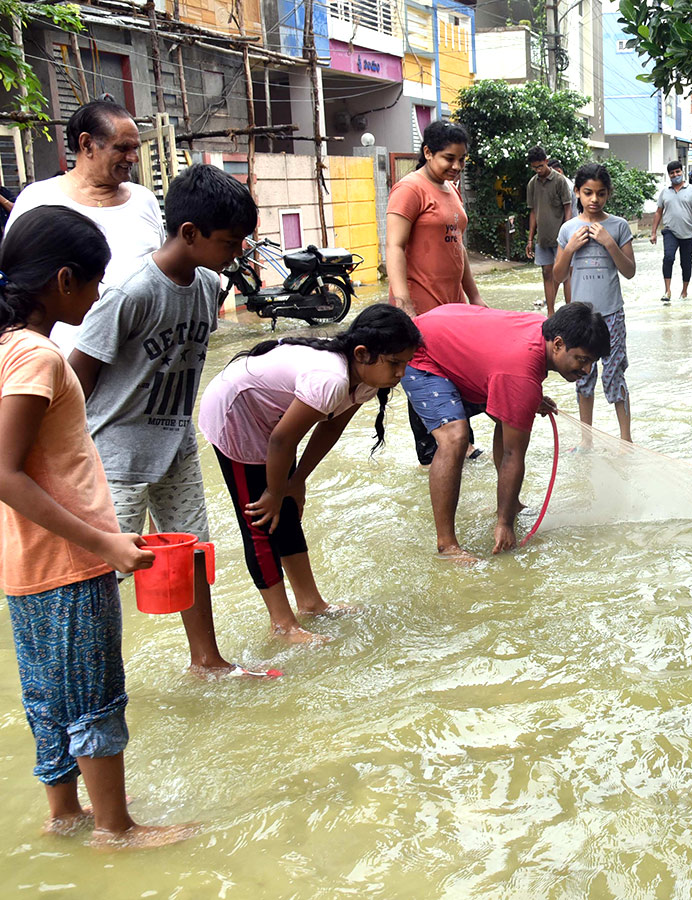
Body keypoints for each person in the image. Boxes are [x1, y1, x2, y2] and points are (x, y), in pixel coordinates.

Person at [0, 206, 195, 849]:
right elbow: (5, 472)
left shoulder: (7, 349)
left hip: (25, 562)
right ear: (62, 280)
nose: (101, 293)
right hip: (67, 562)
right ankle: (117, 828)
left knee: (47, 695)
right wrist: (103, 542)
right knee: (94, 694)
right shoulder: (35, 355)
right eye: (95, 280)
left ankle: (66, 812)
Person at [69, 164, 259, 678]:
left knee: (192, 550)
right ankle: (92, 675)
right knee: (106, 570)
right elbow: (75, 375)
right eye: (229, 241)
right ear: (190, 233)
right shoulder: (130, 291)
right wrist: (66, 455)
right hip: (116, 453)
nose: (237, 251)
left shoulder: (207, 286)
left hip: (174, 444)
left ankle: (207, 660)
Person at [198, 305, 422, 643]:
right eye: (394, 363)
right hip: (237, 413)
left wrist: (296, 480)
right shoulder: (331, 378)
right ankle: (282, 624)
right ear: (362, 353)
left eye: (405, 363)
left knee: (286, 511)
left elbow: (328, 429)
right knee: (260, 519)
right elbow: (282, 439)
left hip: (275, 424)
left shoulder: (365, 381)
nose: (401, 373)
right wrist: (274, 492)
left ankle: (312, 604)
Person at [400, 303, 610, 560]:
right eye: (582, 359)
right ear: (557, 344)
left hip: (445, 335)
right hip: (420, 352)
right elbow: (512, 454)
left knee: (508, 418)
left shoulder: (540, 333)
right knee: (455, 438)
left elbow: (504, 369)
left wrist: (526, 398)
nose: (587, 370)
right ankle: (447, 545)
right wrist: (505, 526)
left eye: (592, 362)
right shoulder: (520, 374)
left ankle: (510, 505)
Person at [7, 101, 164, 353]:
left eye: (135, 148)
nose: (133, 157)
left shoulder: (144, 200)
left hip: (138, 363)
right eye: (123, 148)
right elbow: (15, 283)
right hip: (62, 359)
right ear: (87, 144)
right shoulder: (38, 199)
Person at [385, 120, 484, 466]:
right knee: (424, 376)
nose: (456, 167)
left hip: (453, 307)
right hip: (421, 306)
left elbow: (459, 249)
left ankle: (463, 445)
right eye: (448, 158)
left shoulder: (451, 189)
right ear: (427, 153)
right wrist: (405, 305)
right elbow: (394, 247)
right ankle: (432, 454)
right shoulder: (409, 189)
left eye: (462, 160)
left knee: (454, 373)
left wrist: (475, 297)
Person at [552, 163, 636, 443]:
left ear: (608, 194)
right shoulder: (568, 230)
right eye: (587, 192)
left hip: (611, 314)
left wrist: (609, 243)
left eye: (600, 193)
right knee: (582, 376)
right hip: (579, 319)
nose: (594, 199)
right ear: (577, 192)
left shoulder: (618, 226)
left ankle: (626, 440)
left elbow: (629, 271)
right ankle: (585, 440)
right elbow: (558, 275)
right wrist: (571, 248)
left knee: (614, 376)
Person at [525, 146, 574, 315]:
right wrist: (530, 239)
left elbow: (568, 208)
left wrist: (567, 234)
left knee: (566, 274)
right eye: (535, 167)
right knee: (547, 273)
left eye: (540, 166)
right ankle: (551, 313)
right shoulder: (532, 184)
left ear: (546, 161)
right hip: (543, 239)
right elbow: (532, 212)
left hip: (561, 238)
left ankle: (569, 311)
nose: (538, 170)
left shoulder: (559, 181)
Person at [649, 160, 692, 303]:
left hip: (688, 233)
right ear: (669, 175)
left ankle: (684, 291)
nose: (675, 175)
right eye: (672, 173)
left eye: (677, 172)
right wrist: (653, 232)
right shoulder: (665, 192)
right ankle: (667, 291)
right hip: (669, 231)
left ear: (682, 172)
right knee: (668, 258)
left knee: (686, 263)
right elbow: (658, 212)